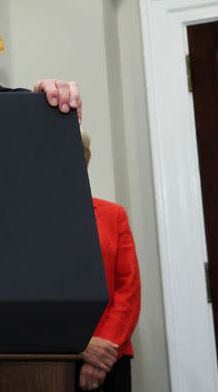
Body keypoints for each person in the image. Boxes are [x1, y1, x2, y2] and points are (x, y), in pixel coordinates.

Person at [77, 131, 141, 391]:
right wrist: (80, 345)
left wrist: (100, 352)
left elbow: (129, 290)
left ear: (86, 160)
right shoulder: (34, 220)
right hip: (55, 358)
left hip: (111, 358)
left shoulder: (114, 215)